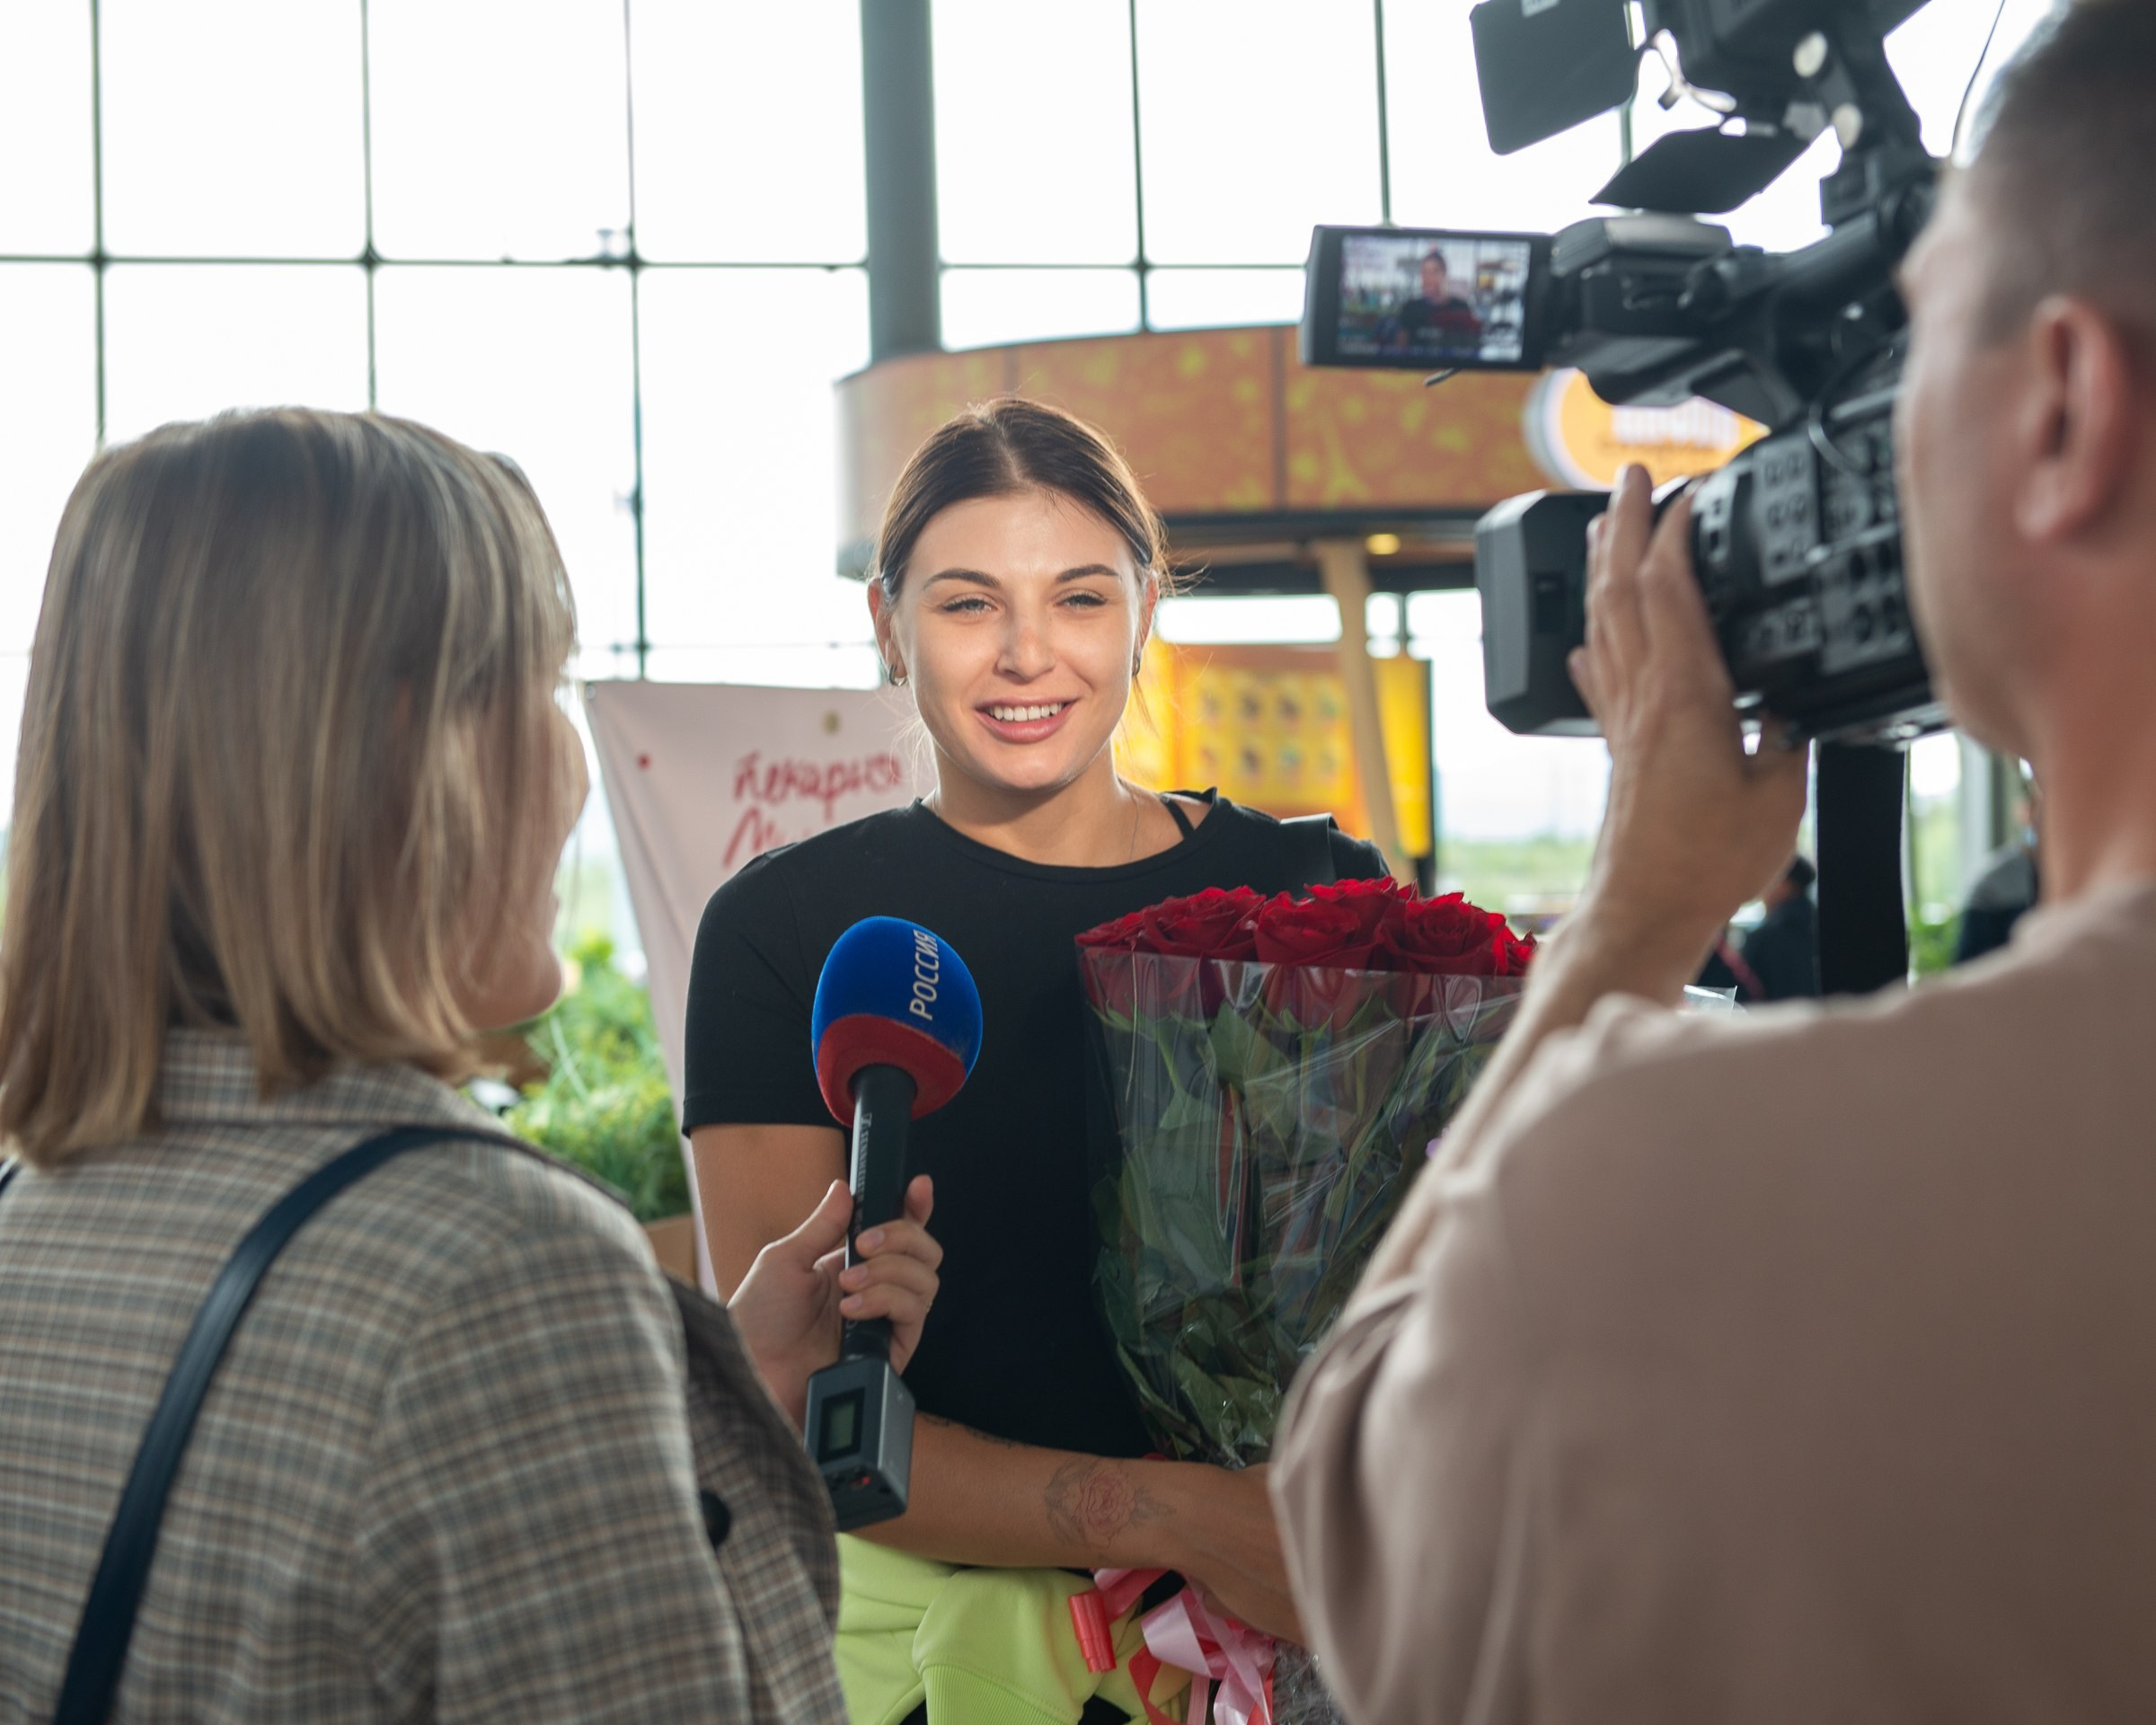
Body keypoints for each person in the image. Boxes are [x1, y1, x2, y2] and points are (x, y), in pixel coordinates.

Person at [1272, 4, 2156, 1720]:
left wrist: (1635, 914)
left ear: (2063, 406)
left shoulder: (1650, 1187)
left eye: (1910, 363)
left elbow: (1348, 1531)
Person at [0, 410, 945, 1722]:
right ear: (412, 753)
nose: (565, 772)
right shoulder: (496, 1270)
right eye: (544, 687)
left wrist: (724, 1389)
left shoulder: (36, 1209)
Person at [684, 396, 1387, 1718]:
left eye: (1077, 597)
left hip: (1291, 1626)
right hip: (939, 1662)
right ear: (887, 628)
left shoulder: (1311, 896)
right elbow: (820, 1420)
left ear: (1144, 612)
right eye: (966, 605)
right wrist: (1189, 1519)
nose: (1025, 654)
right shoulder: (787, 932)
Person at [1386, 250, 1483, 358]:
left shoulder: (1461, 307)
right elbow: (1400, 349)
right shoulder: (1411, 308)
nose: (1428, 277)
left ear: (1444, 274)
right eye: (1424, 272)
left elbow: (1472, 349)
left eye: (1434, 272)